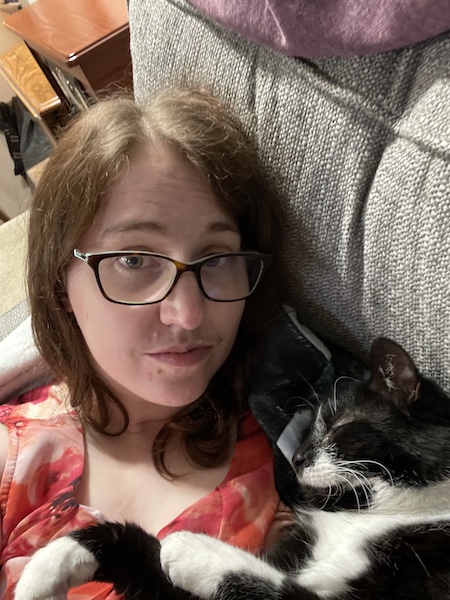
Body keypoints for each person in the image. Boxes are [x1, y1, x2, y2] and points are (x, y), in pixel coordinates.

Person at [0, 87, 291, 599]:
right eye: (134, 259)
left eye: (218, 257)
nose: (188, 314)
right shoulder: (11, 458)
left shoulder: (304, 465)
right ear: (58, 286)